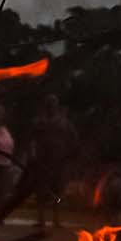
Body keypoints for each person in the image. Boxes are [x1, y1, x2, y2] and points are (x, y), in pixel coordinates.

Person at [29, 94, 78, 228]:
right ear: (46, 106)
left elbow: (74, 139)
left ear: (57, 105)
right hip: (43, 161)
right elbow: (32, 139)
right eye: (48, 103)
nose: (51, 106)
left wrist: (69, 156)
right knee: (41, 189)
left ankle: (56, 219)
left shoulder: (64, 122)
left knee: (58, 190)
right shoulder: (39, 122)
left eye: (53, 103)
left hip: (60, 161)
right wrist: (32, 153)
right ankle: (41, 219)